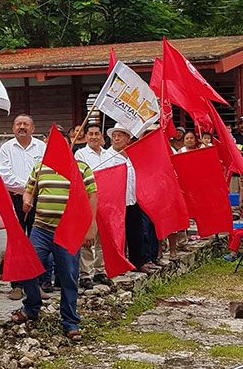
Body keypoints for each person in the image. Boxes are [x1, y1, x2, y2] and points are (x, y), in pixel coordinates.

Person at [12, 147, 97, 343]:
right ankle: (32, 307)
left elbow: (92, 196)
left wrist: (90, 226)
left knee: (68, 275)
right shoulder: (40, 167)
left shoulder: (81, 168)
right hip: (41, 229)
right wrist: (27, 200)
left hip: (69, 230)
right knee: (28, 268)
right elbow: (28, 190)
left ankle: (70, 321)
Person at [0, 114, 46, 299]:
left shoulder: (42, 147)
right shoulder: (6, 148)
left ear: (33, 128)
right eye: (18, 124)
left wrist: (32, 191)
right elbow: (5, 176)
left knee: (37, 242)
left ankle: (37, 284)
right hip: (15, 199)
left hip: (39, 199)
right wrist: (28, 189)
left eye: (26, 124)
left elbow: (46, 170)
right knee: (17, 241)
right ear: (13, 128)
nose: (22, 127)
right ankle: (16, 285)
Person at [99, 124, 154, 274]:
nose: (116, 138)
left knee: (136, 232)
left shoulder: (132, 155)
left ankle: (138, 262)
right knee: (118, 234)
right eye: (114, 136)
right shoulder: (106, 157)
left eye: (120, 136)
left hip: (132, 199)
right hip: (116, 202)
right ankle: (120, 264)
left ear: (127, 139)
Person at [74, 123, 111, 288]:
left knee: (103, 239)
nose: (94, 137)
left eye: (97, 134)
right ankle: (85, 274)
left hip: (107, 201)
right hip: (88, 200)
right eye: (91, 134)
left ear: (102, 137)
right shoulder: (80, 154)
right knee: (88, 238)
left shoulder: (108, 154)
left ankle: (100, 271)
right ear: (86, 136)